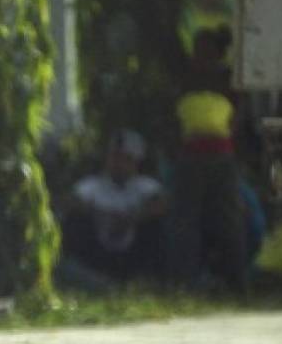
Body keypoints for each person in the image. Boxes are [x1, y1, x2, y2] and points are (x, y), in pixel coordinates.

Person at [168, 25, 249, 291]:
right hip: (191, 156)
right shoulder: (186, 77)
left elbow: (237, 117)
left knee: (228, 219)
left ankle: (235, 280)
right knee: (187, 220)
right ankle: (187, 279)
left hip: (220, 156)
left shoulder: (228, 79)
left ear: (217, 52)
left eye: (205, 49)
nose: (200, 55)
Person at [55, 129, 167, 289]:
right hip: (98, 253)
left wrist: (131, 219)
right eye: (114, 157)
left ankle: (147, 280)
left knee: (155, 228)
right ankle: (92, 279)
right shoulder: (92, 185)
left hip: (133, 254)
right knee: (75, 222)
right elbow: (70, 201)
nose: (118, 164)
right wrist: (101, 216)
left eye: (125, 159)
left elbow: (161, 205)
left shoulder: (145, 186)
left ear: (136, 162)